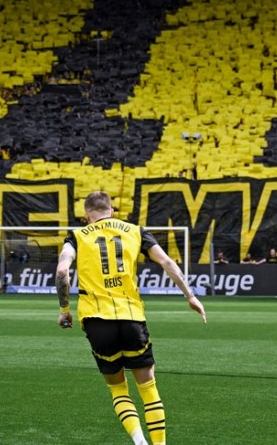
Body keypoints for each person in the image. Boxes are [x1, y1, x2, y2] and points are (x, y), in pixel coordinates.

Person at [55, 191, 206, 445]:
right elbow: (167, 262)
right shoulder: (136, 231)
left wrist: (64, 310)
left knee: (117, 388)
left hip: (96, 320)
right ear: (111, 211)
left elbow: (62, 270)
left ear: (85, 216)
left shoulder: (77, 236)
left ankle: (139, 441)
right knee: (148, 388)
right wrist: (190, 295)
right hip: (132, 317)